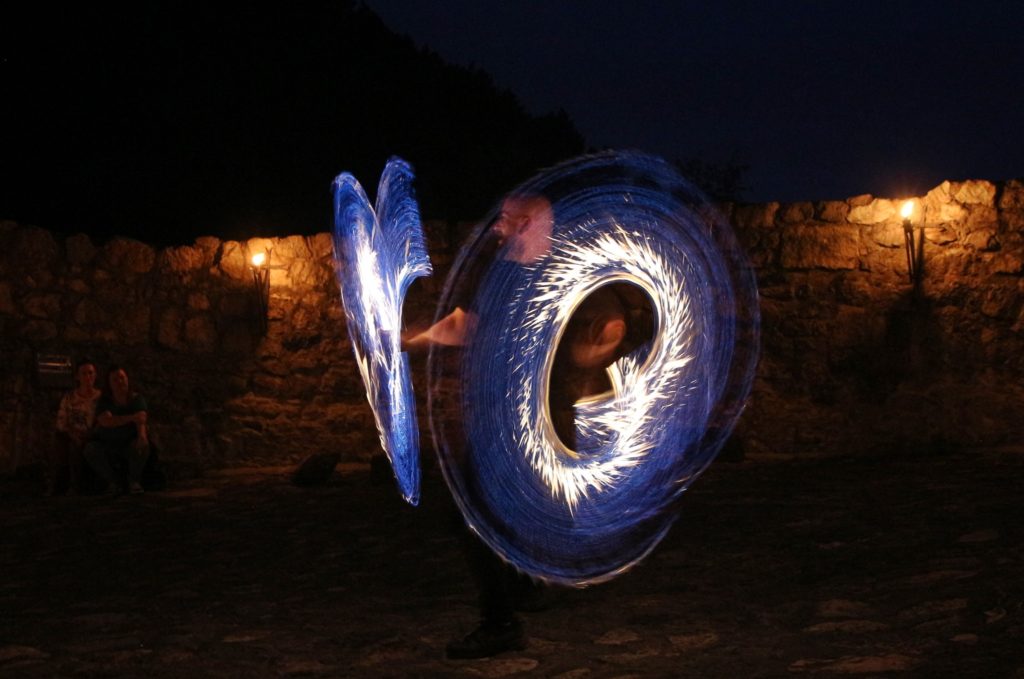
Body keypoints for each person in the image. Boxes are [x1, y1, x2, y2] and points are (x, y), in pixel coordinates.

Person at [407, 193, 649, 658]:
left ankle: (500, 623)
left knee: (473, 516)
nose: (497, 227)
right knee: (498, 510)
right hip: (502, 417)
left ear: (529, 224)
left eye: (507, 220)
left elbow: (615, 320)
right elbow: (464, 325)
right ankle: (524, 586)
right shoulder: (501, 274)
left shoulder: (567, 274)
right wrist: (411, 340)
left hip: (536, 421)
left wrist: (602, 341)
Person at [83, 365, 150, 495]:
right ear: (109, 384)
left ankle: (134, 481)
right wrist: (131, 417)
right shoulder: (105, 401)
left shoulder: (136, 399)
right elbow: (106, 422)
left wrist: (142, 436)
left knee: (143, 446)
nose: (120, 382)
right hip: (108, 443)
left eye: (122, 378)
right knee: (90, 449)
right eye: (115, 379)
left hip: (129, 442)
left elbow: (141, 420)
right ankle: (114, 482)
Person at [50, 358, 102, 495]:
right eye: (84, 373)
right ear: (77, 377)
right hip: (72, 434)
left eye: (90, 373)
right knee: (67, 446)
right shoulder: (69, 398)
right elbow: (61, 421)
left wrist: (91, 434)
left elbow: (104, 420)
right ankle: (65, 486)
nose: (88, 377)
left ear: (95, 375)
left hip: (94, 435)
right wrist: (72, 434)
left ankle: (79, 486)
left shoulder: (101, 398)